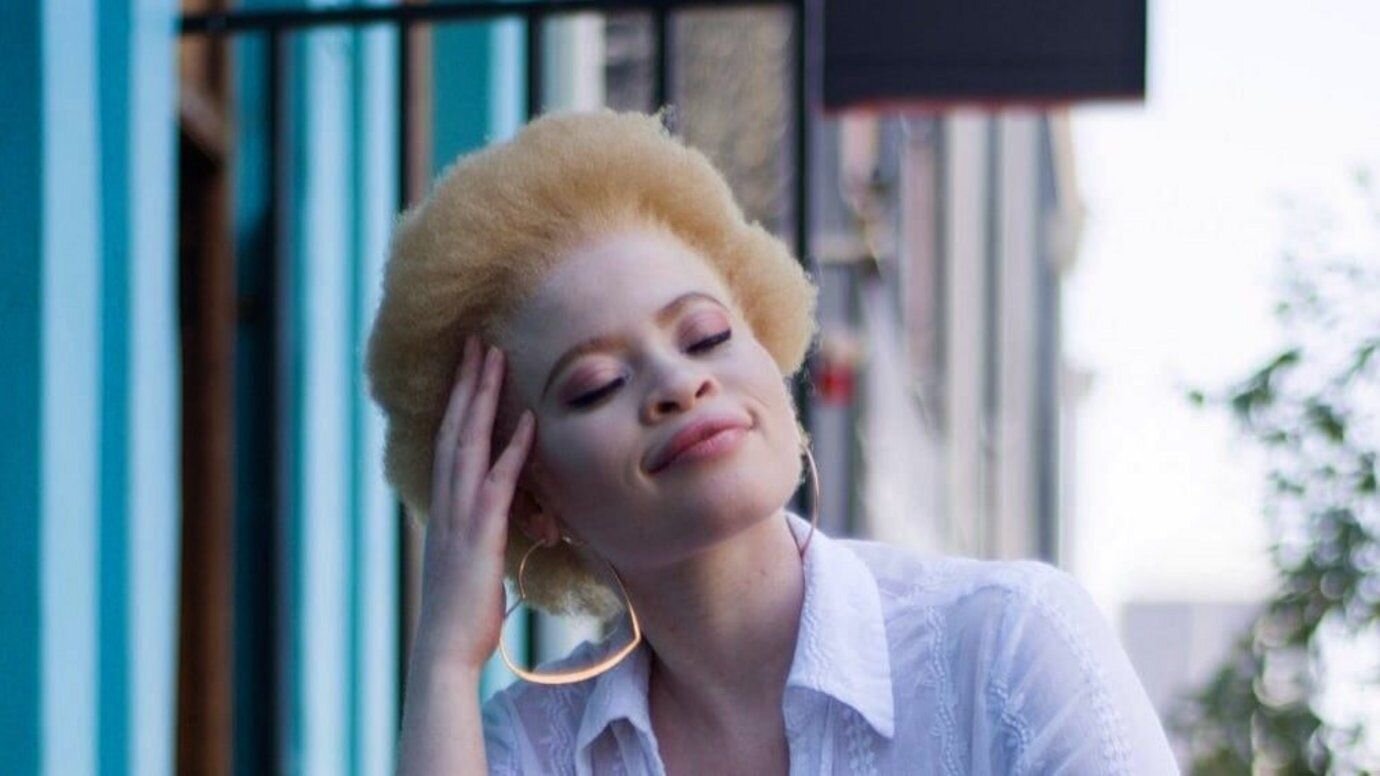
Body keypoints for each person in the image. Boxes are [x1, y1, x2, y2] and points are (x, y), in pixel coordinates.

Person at [366, 109, 1178, 775]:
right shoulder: (525, 751)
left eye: (706, 335)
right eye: (597, 384)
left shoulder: (1006, 648)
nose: (679, 382)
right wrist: (444, 661)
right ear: (530, 500)